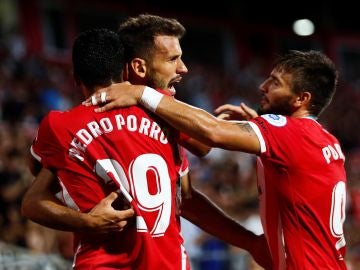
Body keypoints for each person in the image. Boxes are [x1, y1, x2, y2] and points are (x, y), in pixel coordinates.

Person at [22, 15, 272, 269]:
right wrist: (250, 242)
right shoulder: (164, 114)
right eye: (173, 59)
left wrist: (84, 219)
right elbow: (203, 148)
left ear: (76, 78)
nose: (183, 68)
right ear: (128, 69)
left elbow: (34, 187)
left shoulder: (59, 125)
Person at [87, 50, 348, 269]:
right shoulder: (326, 141)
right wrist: (250, 242)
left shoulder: (288, 131)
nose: (263, 86)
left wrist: (142, 93)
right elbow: (188, 202)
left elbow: (212, 131)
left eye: (275, 82)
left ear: (302, 99)